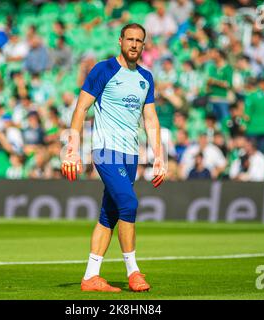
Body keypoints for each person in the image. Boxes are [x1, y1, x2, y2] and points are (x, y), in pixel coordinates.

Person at [61, 23, 166, 292]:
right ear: (120, 41)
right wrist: (71, 148)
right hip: (106, 151)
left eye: (138, 40)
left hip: (131, 155)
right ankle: (134, 272)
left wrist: (159, 156)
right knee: (129, 203)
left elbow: (151, 118)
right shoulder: (103, 70)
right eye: (129, 39)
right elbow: (81, 108)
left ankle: (90, 277)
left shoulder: (146, 77)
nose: (133, 44)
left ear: (144, 45)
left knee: (109, 215)